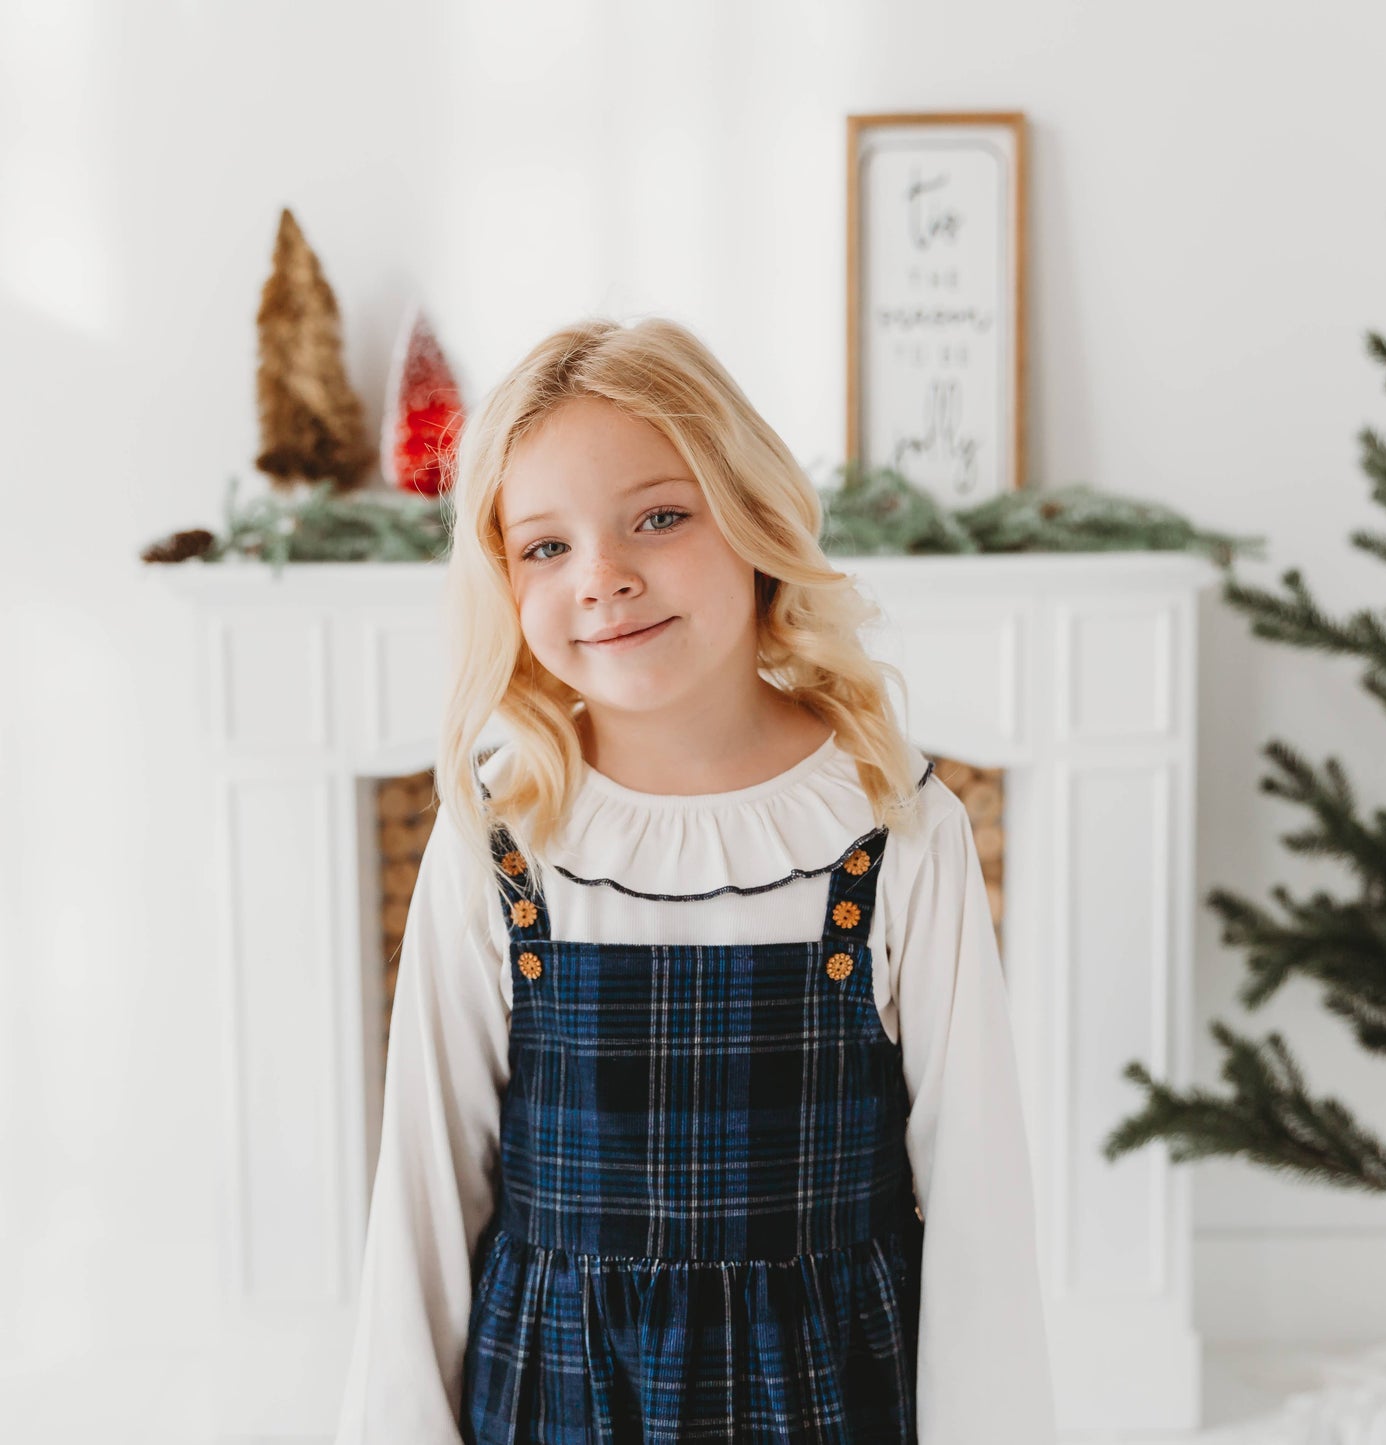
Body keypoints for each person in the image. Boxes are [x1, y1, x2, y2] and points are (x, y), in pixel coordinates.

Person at [332, 315, 1056, 1443]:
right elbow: (425, 1202)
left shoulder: (894, 827)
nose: (604, 579)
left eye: (658, 517)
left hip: (828, 1398)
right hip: (555, 1399)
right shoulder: (500, 834)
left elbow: (978, 1214)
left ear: (752, 516)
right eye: (545, 546)